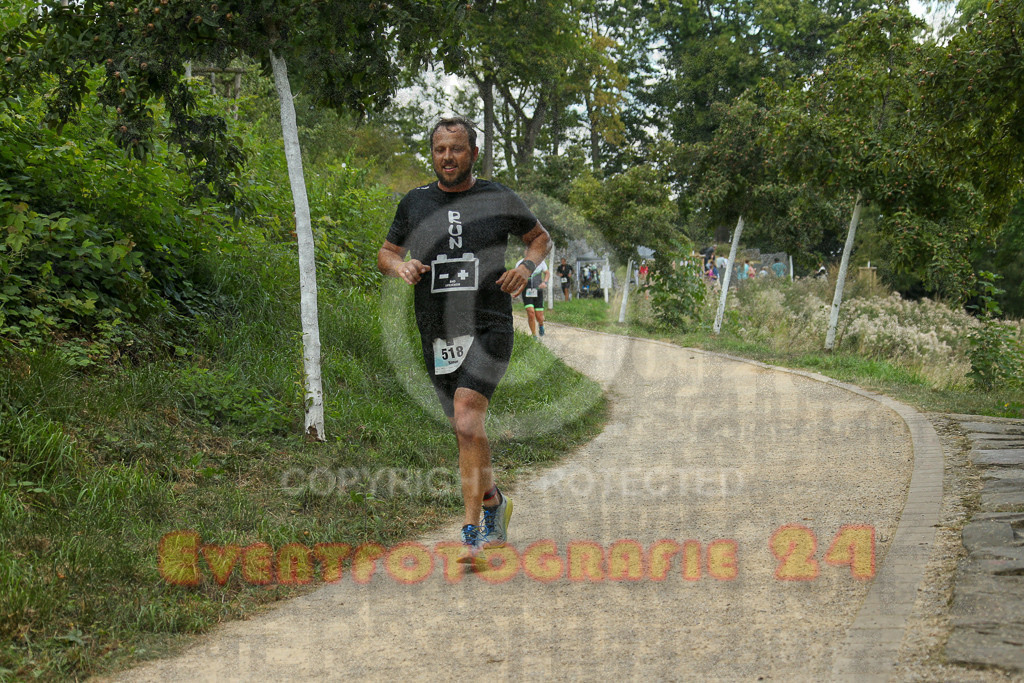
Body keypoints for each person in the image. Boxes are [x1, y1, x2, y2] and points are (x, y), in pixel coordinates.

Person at [377, 116, 551, 559]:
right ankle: (494, 501)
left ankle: (472, 532)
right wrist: (400, 267)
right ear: (432, 154)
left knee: (468, 419)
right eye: (439, 150)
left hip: (489, 324)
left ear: (473, 153)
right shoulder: (414, 202)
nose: (447, 157)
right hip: (436, 330)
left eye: (456, 149)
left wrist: (525, 269)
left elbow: (538, 239)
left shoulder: (496, 196)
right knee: (463, 429)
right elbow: (387, 252)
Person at [518, 255, 548, 337]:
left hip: (538, 291)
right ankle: (534, 335)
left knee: (539, 317)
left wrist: (544, 282)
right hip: (526, 291)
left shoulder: (541, 262)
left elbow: (547, 273)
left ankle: (541, 325)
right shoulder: (520, 263)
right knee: (531, 313)